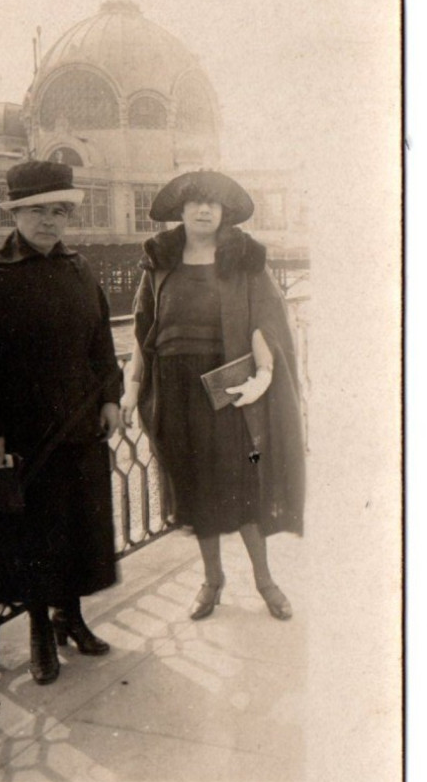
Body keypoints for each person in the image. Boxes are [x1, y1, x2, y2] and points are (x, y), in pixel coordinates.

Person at [0, 160, 121, 684]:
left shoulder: (78, 268)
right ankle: (38, 632)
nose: (50, 222)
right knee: (30, 535)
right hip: (24, 431)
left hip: (79, 421)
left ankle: (69, 617)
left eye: (59, 211)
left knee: (76, 525)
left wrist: (110, 398)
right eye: (37, 211)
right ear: (15, 214)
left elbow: (101, 341)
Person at [121, 170, 305, 621]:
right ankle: (212, 581)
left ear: (223, 213)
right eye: (195, 202)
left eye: (213, 203)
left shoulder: (244, 259)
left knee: (243, 489)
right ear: (180, 211)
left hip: (227, 391)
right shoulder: (159, 261)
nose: (204, 210)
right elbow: (143, 329)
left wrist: (262, 376)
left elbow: (264, 323)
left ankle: (265, 582)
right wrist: (130, 387)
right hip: (174, 392)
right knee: (196, 490)